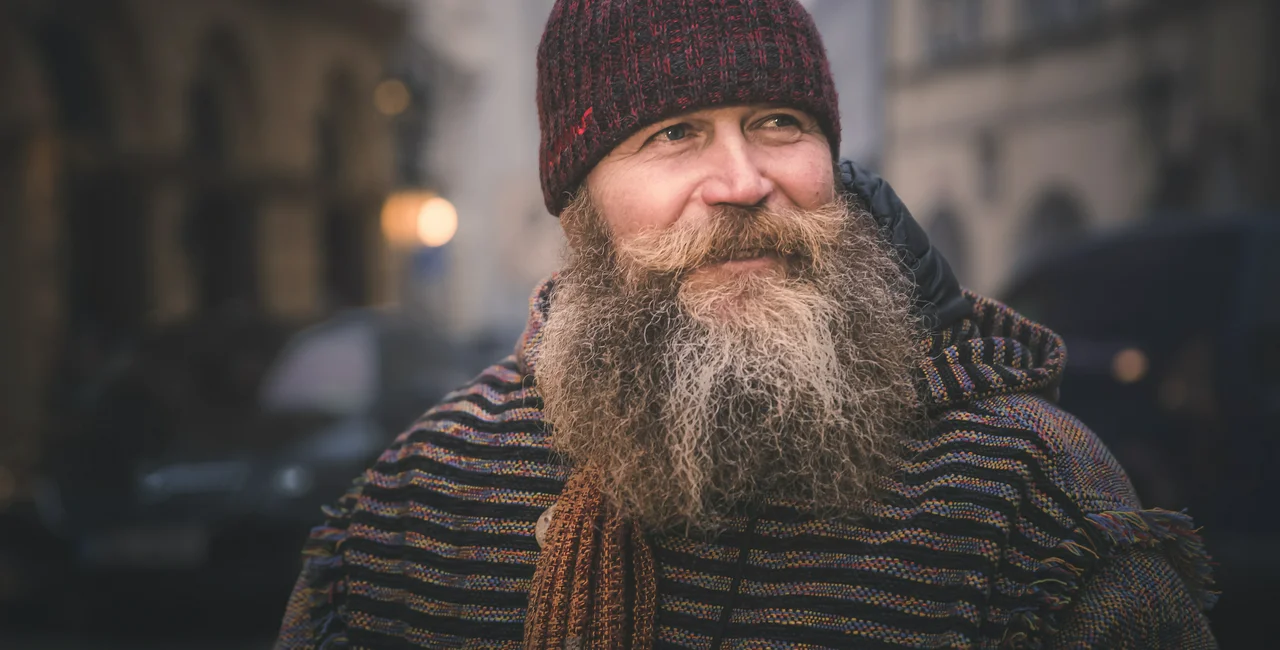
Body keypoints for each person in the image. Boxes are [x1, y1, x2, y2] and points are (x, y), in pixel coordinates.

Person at [274, 0, 1217, 647]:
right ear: (579, 205)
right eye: (672, 133)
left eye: (777, 121)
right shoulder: (422, 501)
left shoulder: (1026, 492)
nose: (742, 181)